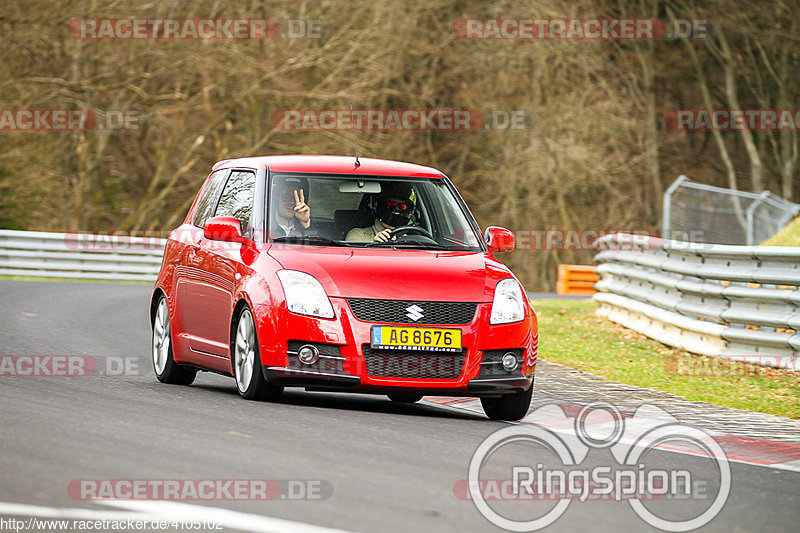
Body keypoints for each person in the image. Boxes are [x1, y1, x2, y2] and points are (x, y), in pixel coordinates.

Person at [346, 182, 414, 242]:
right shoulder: (358, 234)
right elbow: (354, 255)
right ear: (379, 206)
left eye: (402, 206)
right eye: (391, 204)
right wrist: (375, 245)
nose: (396, 209)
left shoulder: (412, 238)